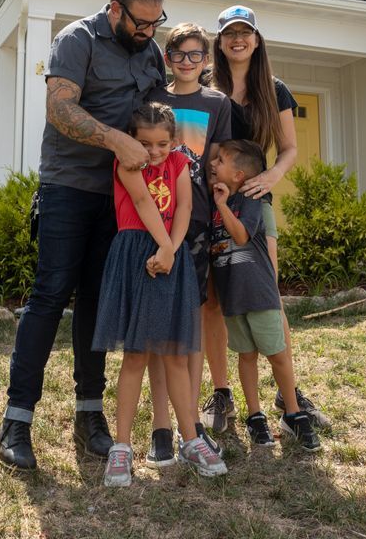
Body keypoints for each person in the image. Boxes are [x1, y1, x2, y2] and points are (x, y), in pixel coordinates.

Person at [0, 0, 168, 472]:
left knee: (97, 300)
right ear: (115, 9)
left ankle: (89, 415)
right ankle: (16, 419)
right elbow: (59, 109)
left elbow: (161, 115)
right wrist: (115, 139)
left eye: (156, 22)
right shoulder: (77, 39)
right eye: (140, 22)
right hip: (68, 188)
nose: (148, 32)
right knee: (49, 297)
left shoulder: (151, 52)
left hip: (120, 197)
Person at [201, 4, 332, 433]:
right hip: (213, 203)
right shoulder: (206, 85)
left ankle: (287, 391)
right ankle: (222, 394)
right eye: (229, 33)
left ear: (257, 40)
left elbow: (289, 147)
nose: (238, 39)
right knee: (214, 300)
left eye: (246, 32)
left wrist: (272, 174)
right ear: (219, 42)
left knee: (267, 296)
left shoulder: (274, 90)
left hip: (255, 203)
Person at [91, 103, 228, 486]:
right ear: (132, 139)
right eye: (145, 143)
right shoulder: (126, 164)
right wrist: (163, 248)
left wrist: (171, 249)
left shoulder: (180, 165)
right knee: (136, 355)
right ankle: (121, 447)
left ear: (173, 141)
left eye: (162, 144)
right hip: (137, 253)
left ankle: (191, 439)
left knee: (174, 354)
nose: (154, 152)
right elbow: (141, 203)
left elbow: (184, 207)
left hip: (171, 255)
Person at [142, 23, 232, 467]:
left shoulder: (217, 104)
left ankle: (189, 427)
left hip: (195, 225)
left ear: (206, 60)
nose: (186, 62)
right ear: (168, 56)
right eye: (178, 54)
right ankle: (161, 426)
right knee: (160, 328)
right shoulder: (154, 100)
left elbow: (218, 164)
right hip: (152, 227)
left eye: (196, 55)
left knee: (191, 328)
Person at [209, 139, 320, 452]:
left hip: (258, 293)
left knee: (277, 354)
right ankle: (255, 415)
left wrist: (220, 205)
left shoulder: (250, 198)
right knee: (246, 356)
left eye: (220, 160)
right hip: (232, 297)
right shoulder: (217, 197)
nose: (213, 164)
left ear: (239, 176)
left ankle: (294, 415)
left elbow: (242, 235)